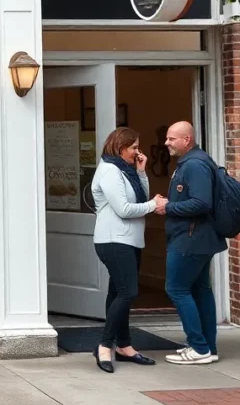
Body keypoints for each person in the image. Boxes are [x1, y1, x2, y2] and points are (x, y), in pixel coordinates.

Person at [90, 127, 168, 373]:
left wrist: (142, 173)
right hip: (114, 240)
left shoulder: (125, 171)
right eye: (134, 147)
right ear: (120, 147)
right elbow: (124, 209)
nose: (137, 152)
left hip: (129, 239)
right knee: (127, 292)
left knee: (118, 292)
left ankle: (124, 346)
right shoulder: (110, 171)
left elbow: (139, 198)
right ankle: (104, 346)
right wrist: (153, 204)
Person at [160, 121, 227, 365]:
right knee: (200, 290)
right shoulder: (193, 162)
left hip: (191, 239)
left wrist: (167, 207)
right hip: (197, 238)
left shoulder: (194, 165)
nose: (166, 143)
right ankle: (208, 347)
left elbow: (201, 203)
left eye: (172, 139)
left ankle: (199, 347)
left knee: (176, 289)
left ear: (187, 139)